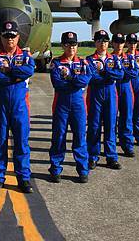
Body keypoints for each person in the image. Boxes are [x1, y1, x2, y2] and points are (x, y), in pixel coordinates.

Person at [0, 21, 35, 193]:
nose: (9, 40)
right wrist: (15, 77)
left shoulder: (26, 57)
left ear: (18, 37)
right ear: (1, 37)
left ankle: (23, 178)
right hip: (0, 106)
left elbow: (29, 71)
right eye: (6, 36)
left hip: (20, 106)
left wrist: (9, 70)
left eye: (12, 36)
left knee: (22, 142)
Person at [48, 31, 90, 183]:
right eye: (67, 44)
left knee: (80, 137)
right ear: (62, 46)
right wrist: (75, 82)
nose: (71, 47)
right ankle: (55, 168)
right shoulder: (56, 63)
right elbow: (57, 84)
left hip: (78, 105)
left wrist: (71, 78)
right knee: (59, 136)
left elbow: (84, 81)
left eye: (74, 44)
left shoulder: (84, 63)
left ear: (77, 45)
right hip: (62, 104)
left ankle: (82, 170)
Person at [86, 29, 124, 170]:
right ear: (95, 43)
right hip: (95, 93)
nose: (103, 43)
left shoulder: (113, 59)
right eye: (100, 41)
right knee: (94, 125)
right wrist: (108, 75)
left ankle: (111, 157)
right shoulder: (89, 60)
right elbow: (92, 77)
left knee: (110, 125)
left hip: (110, 94)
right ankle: (92, 156)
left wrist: (104, 72)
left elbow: (120, 74)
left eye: (106, 41)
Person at [112, 33, 139, 157]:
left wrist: (120, 73)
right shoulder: (109, 58)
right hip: (112, 89)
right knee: (111, 120)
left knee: (127, 117)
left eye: (121, 42)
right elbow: (108, 73)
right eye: (116, 42)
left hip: (126, 88)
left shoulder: (129, 58)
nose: (119, 45)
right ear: (112, 43)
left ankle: (127, 145)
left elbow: (135, 72)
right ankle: (111, 149)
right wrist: (124, 72)